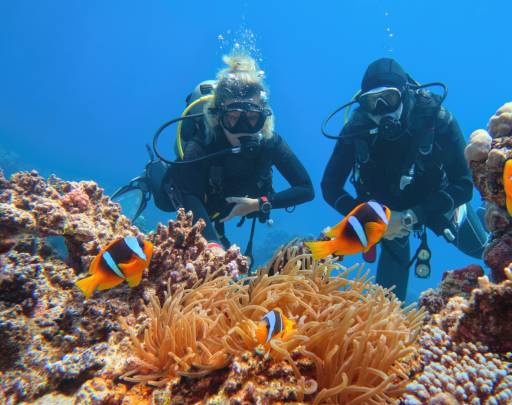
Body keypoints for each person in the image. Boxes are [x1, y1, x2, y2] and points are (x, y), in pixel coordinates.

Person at [114, 54, 314, 262]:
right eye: (233, 119)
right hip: (200, 194)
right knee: (166, 202)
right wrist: (212, 244)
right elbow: (189, 194)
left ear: (263, 118)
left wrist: (259, 203)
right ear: (219, 117)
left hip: (237, 200)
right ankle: (153, 173)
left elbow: (306, 189)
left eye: (253, 119)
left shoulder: (270, 141)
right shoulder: (202, 144)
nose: (243, 129)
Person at [321, 58, 483, 301]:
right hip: (387, 219)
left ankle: (484, 217)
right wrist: (369, 217)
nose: (382, 108)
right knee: (388, 301)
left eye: (390, 98)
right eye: (372, 102)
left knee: (483, 249)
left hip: (434, 203)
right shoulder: (356, 130)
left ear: (405, 93)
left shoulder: (436, 119)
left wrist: (413, 215)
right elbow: (329, 186)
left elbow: (464, 185)